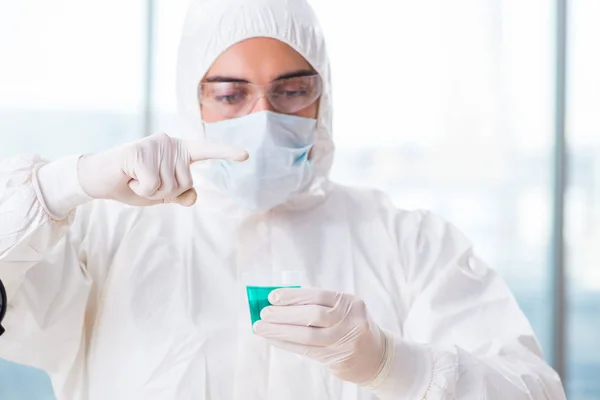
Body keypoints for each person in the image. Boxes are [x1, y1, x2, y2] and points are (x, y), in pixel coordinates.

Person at [0, 0, 566, 399]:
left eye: (292, 90)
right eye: (229, 94)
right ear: (189, 99)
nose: (263, 118)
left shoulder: (411, 242)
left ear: (324, 97)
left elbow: (533, 391)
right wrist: (61, 186)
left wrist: (394, 365)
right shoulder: (107, 235)